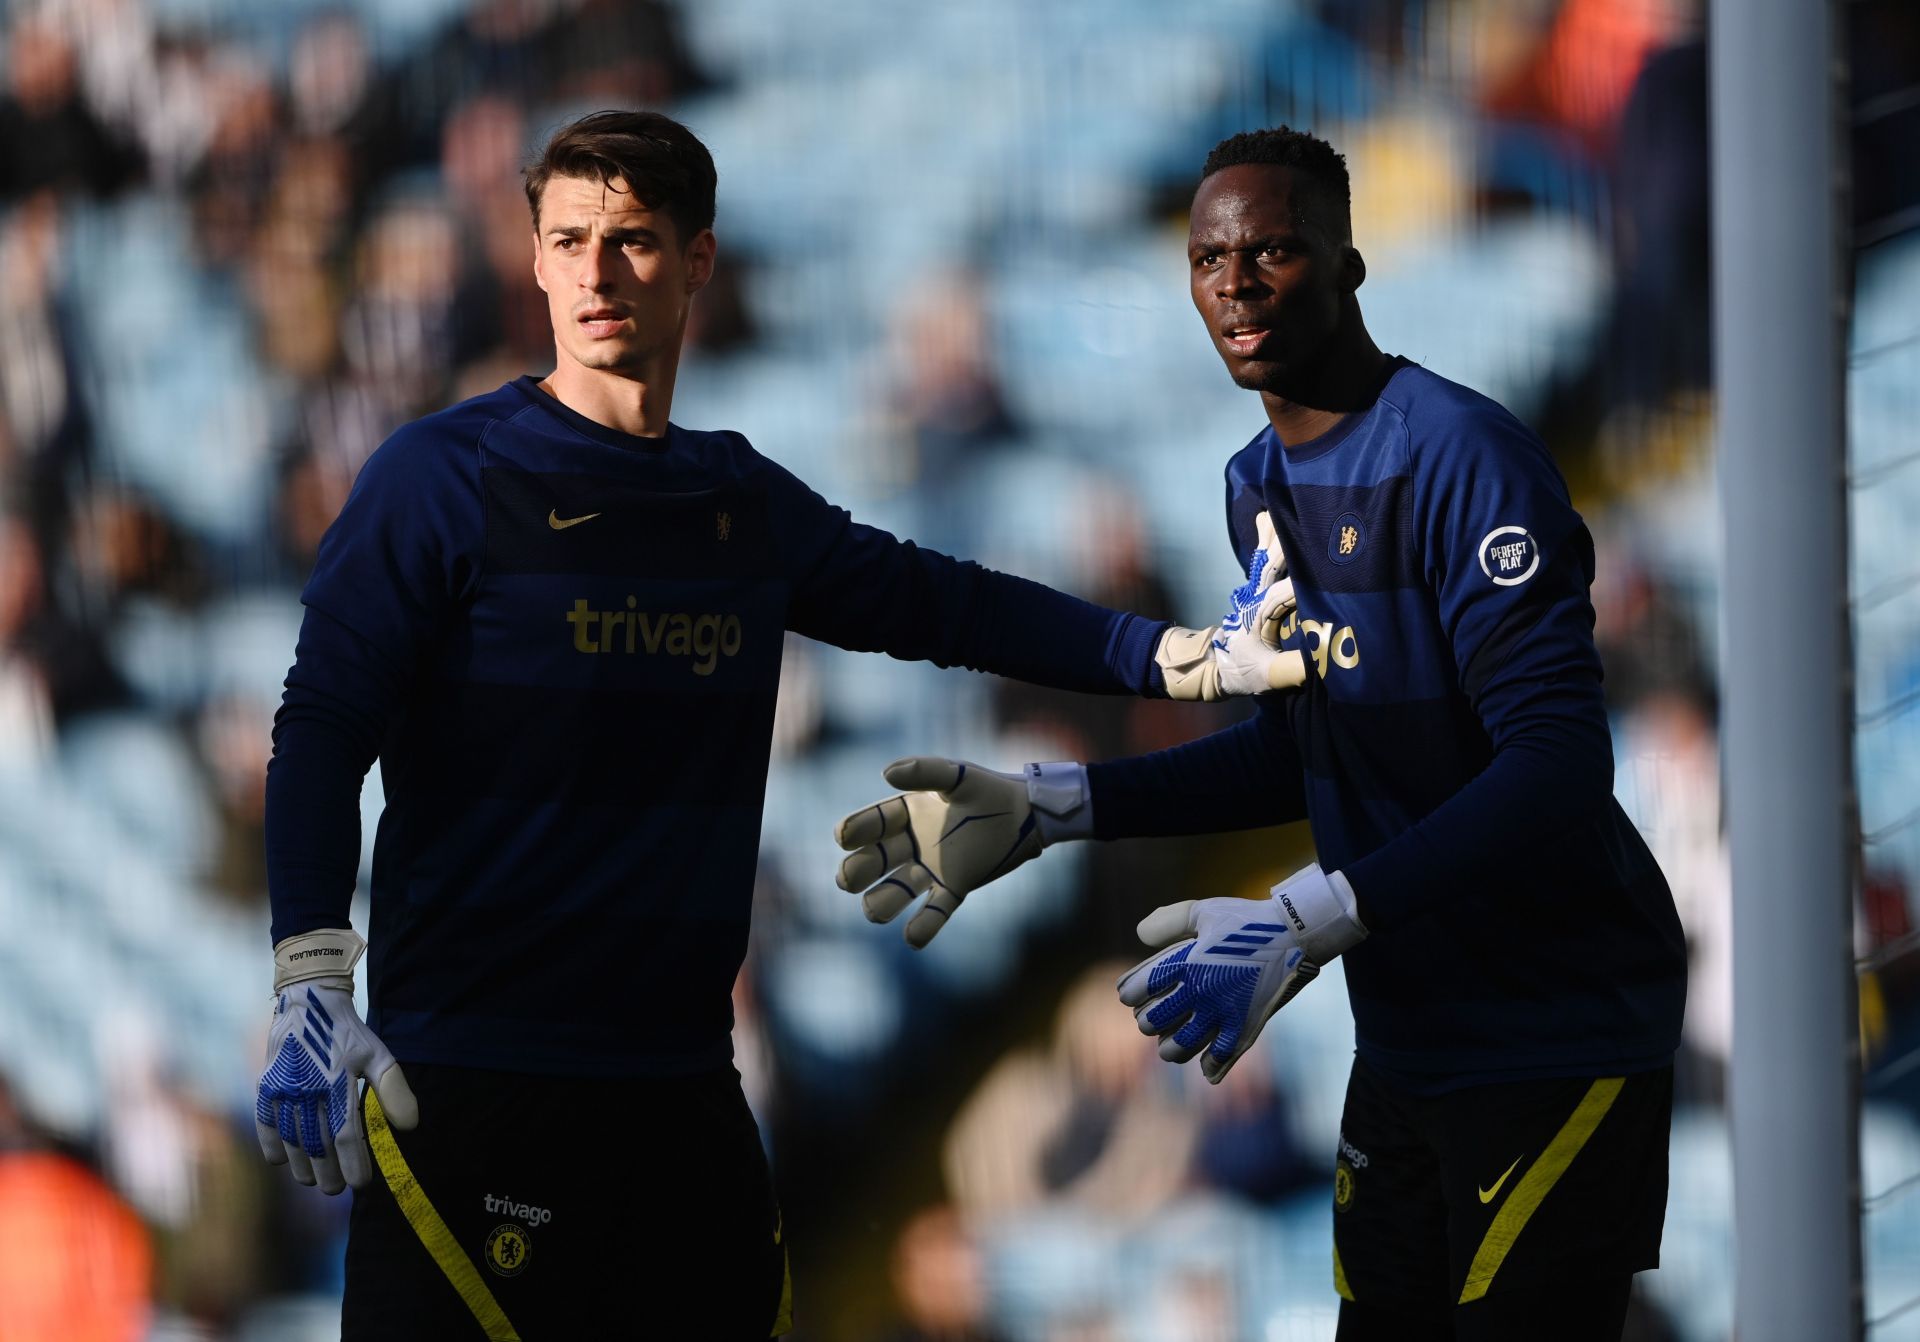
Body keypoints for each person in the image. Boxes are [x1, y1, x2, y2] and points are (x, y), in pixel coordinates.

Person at [251, 109, 1301, 1342]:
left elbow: (937, 600)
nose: (594, 274)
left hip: (682, 1104)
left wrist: (1172, 655)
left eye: (632, 240)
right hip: (480, 1092)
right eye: (567, 239)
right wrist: (311, 972)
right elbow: (319, 725)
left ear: (697, 261)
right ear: (532, 257)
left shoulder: (734, 502)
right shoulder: (438, 480)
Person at [834, 127, 1685, 1342]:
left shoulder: (1463, 457)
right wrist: (1054, 806)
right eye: (1207, 258)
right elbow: (1309, 750)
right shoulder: (1255, 485)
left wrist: (1316, 914)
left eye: (1275, 248)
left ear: (1349, 265)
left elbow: (1555, 759)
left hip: (1557, 1034)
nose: (1234, 281)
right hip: (1410, 1038)